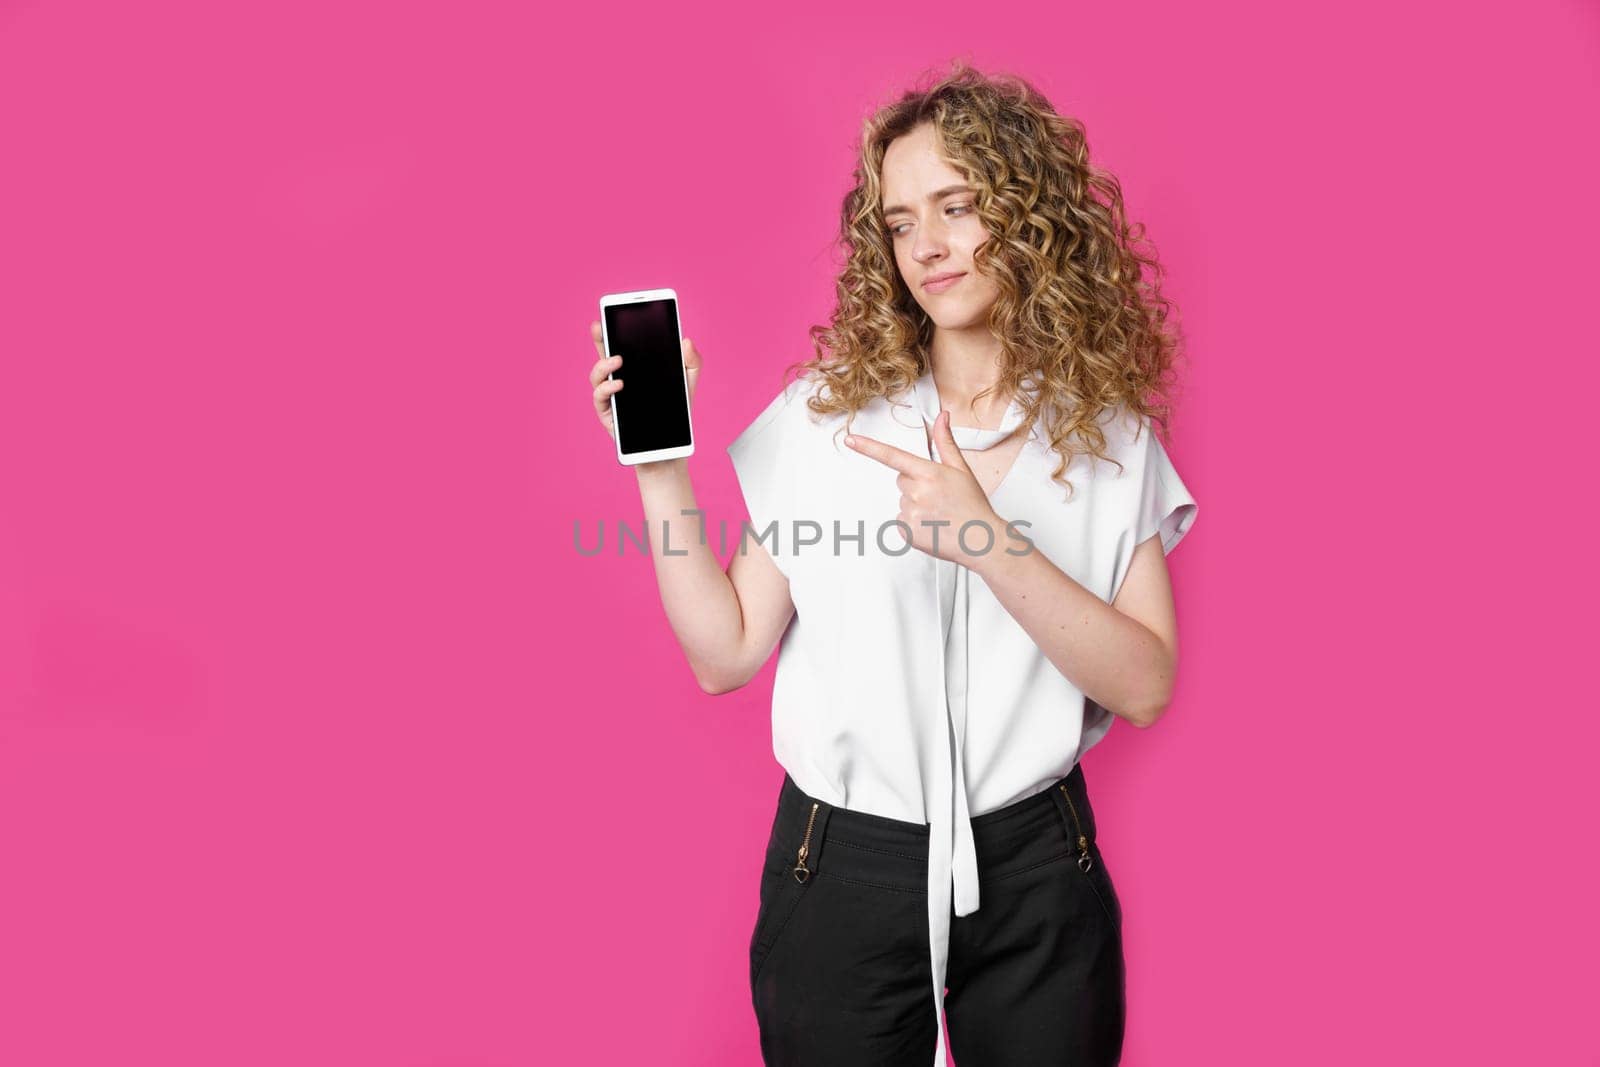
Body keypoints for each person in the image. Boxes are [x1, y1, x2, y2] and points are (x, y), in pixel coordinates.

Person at [586, 60, 1197, 1067]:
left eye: (957, 206)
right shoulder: (825, 417)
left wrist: (984, 538)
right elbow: (724, 651)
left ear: (1028, 214)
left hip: (1037, 861)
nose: (927, 246)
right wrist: (659, 472)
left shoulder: (1105, 434)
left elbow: (1145, 683)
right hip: (843, 862)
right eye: (901, 219)